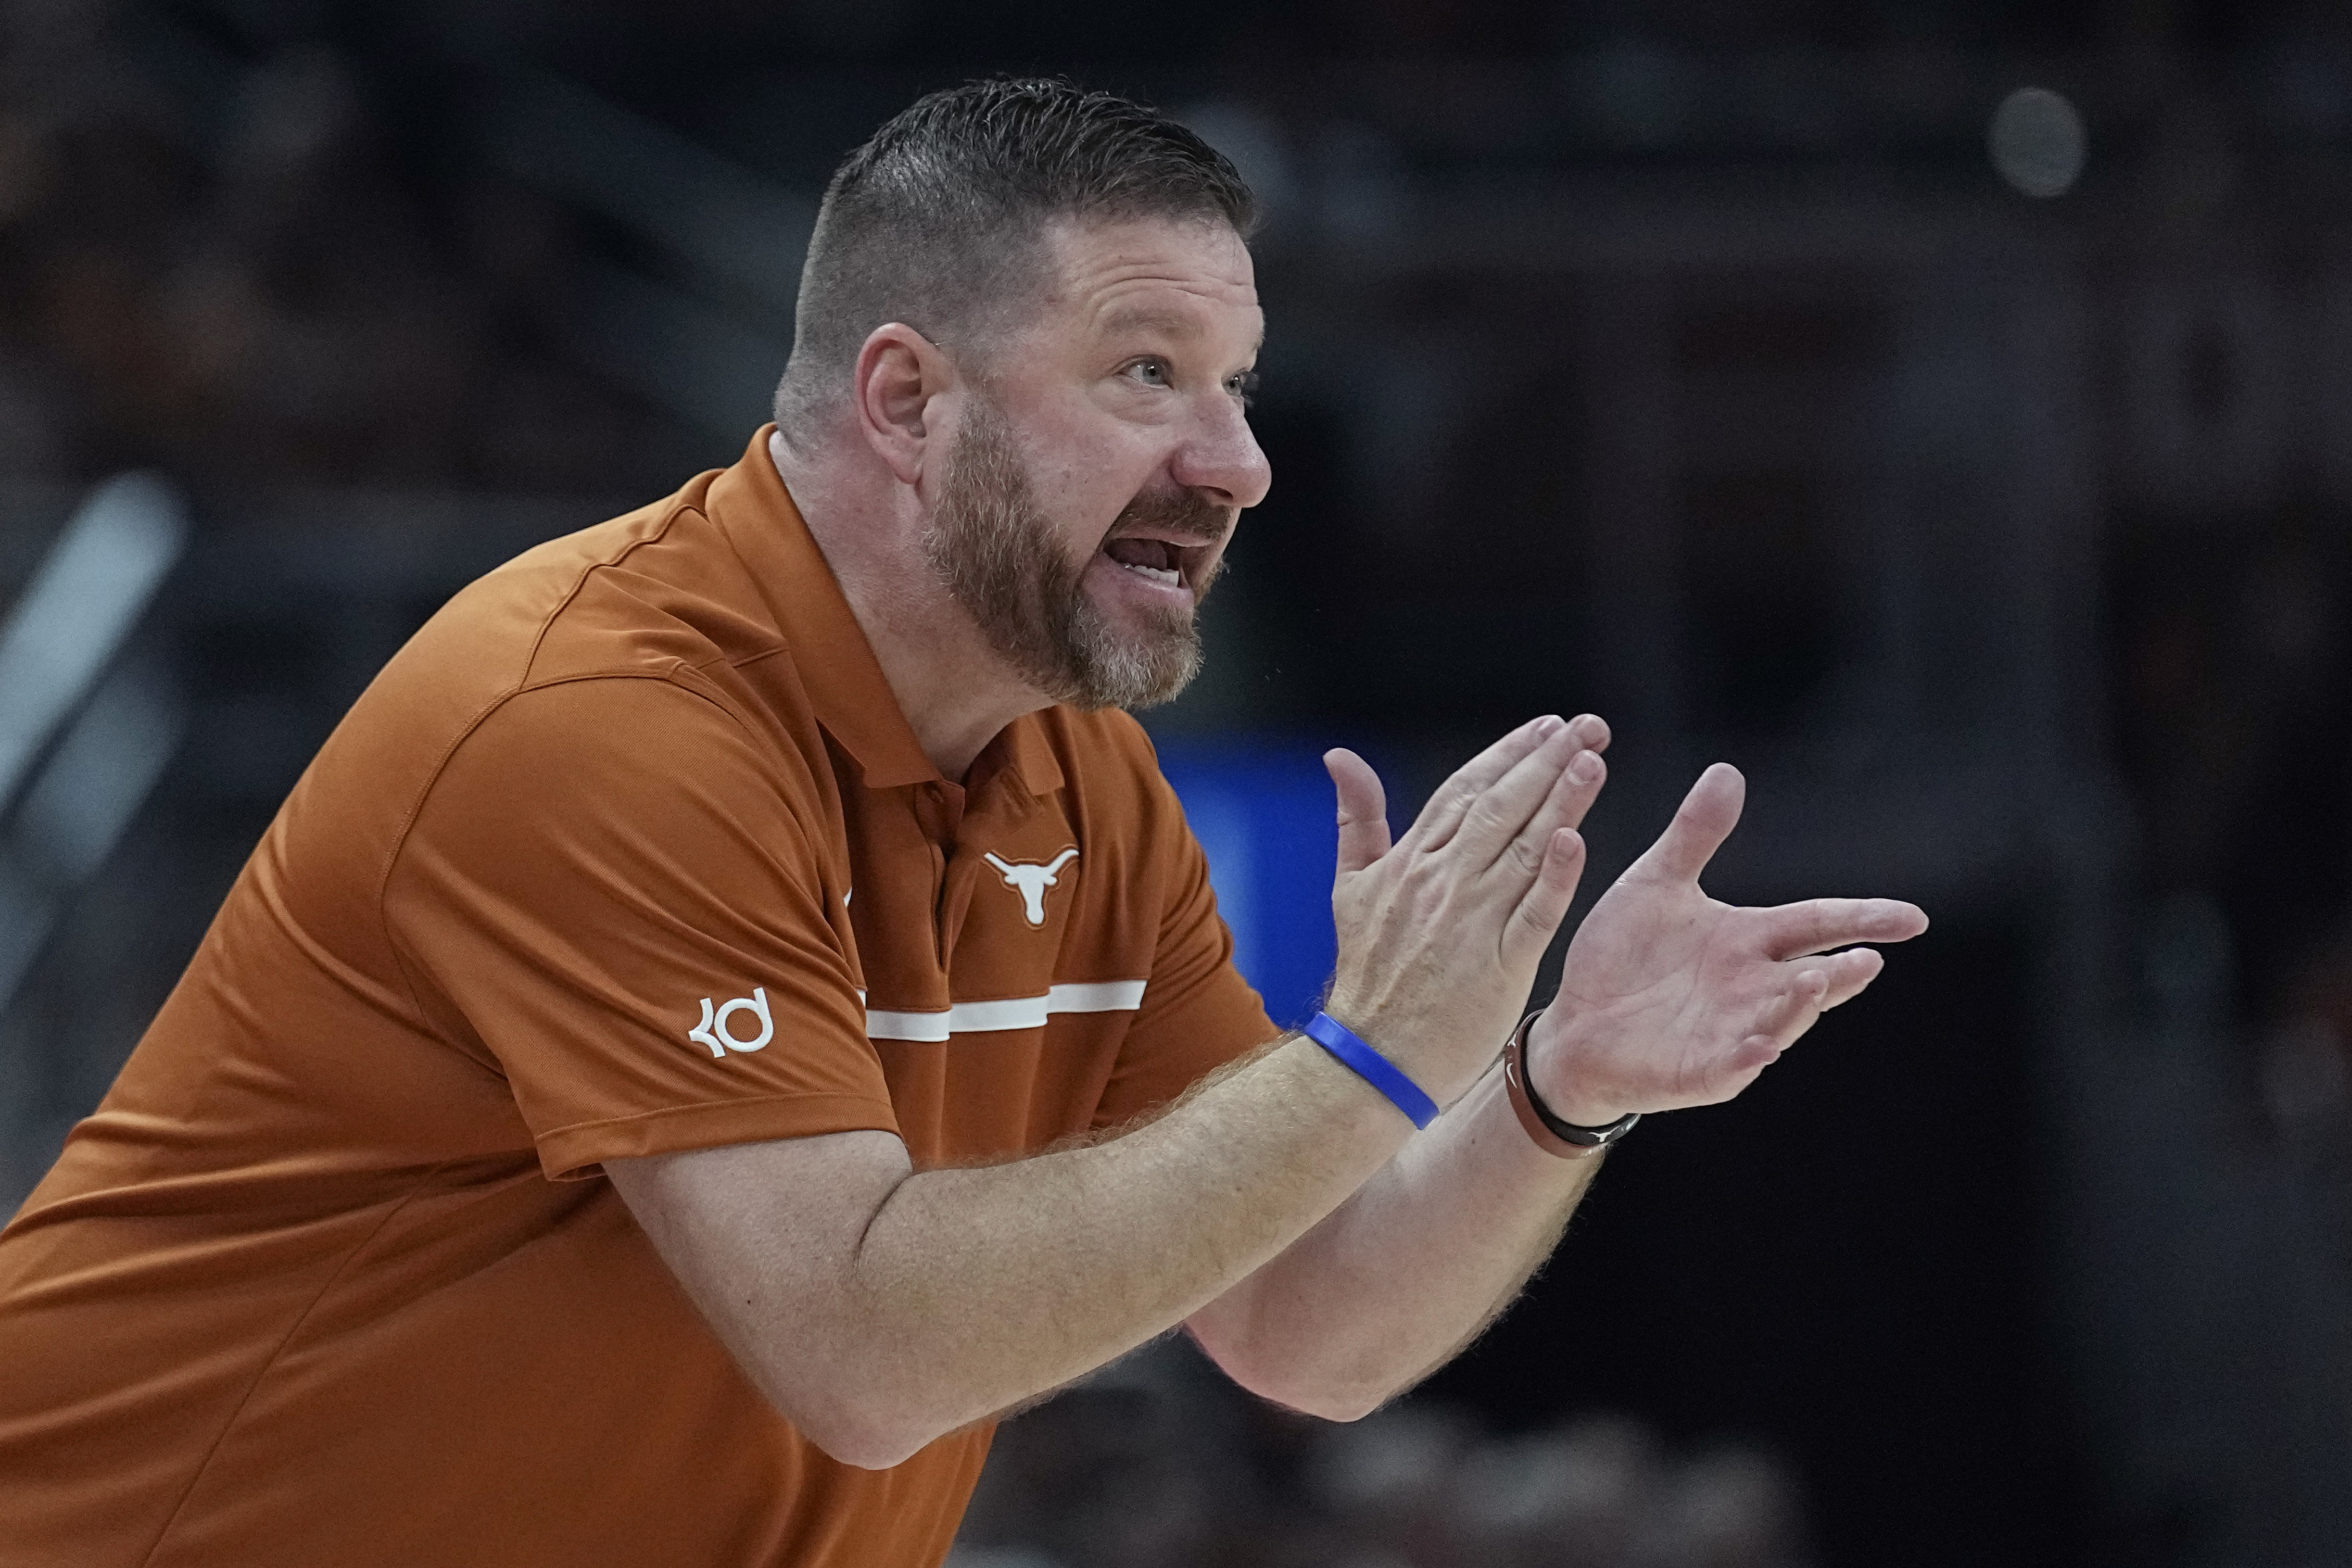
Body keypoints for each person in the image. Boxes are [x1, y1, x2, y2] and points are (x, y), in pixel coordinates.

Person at [0, 80, 1927, 1567]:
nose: (1237, 461)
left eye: (1239, 386)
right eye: (1146, 374)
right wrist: (1366, 1055)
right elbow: (866, 1351)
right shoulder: (599, 724)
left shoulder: (1072, 772)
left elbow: (1301, 1325)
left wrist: (1544, 1091)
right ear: (909, 402)